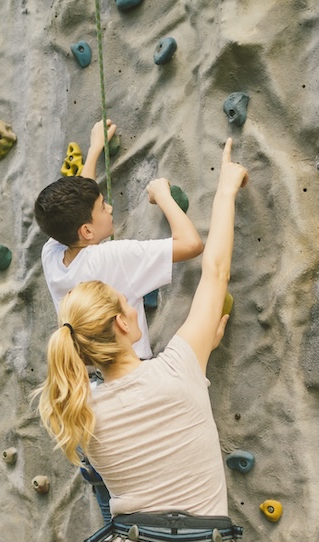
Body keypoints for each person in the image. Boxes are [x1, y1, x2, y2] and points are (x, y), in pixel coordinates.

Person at [36, 139, 253, 542]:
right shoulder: (181, 366)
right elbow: (215, 269)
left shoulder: (78, 411)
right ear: (125, 322)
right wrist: (225, 189)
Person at [34, 117, 205, 362]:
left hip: (96, 377)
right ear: (86, 232)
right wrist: (162, 195)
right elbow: (191, 245)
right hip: (134, 368)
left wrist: (94, 150)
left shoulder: (51, 254)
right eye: (103, 207)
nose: (110, 208)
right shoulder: (113, 257)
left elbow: (79, 208)